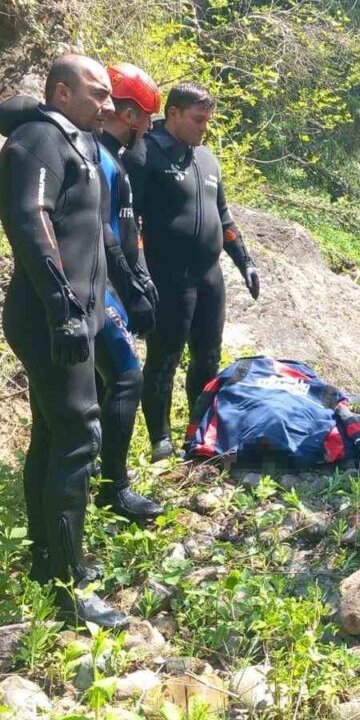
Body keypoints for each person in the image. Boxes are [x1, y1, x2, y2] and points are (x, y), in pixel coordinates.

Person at [0, 54, 128, 628]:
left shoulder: (78, 142)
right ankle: (67, 591)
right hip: (51, 319)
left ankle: (49, 560)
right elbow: (31, 219)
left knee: (54, 435)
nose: (109, 105)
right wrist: (63, 308)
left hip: (75, 317)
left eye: (109, 96)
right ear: (61, 92)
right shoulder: (39, 140)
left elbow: (91, 232)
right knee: (77, 436)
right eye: (97, 94)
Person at [129, 82, 259, 460]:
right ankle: (160, 440)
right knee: (164, 358)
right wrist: (138, 275)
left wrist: (245, 261)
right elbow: (127, 221)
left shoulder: (206, 159)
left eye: (208, 121)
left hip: (208, 276)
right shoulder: (144, 155)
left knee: (208, 357)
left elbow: (224, 217)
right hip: (167, 276)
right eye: (198, 120)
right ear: (173, 114)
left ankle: (197, 433)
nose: (205, 127)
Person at [92, 62, 164, 522]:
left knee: (109, 381)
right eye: (148, 120)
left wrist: (142, 279)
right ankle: (112, 488)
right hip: (94, 284)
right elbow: (104, 231)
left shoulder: (113, 157)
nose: (150, 130)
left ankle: (100, 475)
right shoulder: (96, 156)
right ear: (132, 115)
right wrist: (131, 288)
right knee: (125, 378)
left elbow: (126, 228)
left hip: (108, 282)